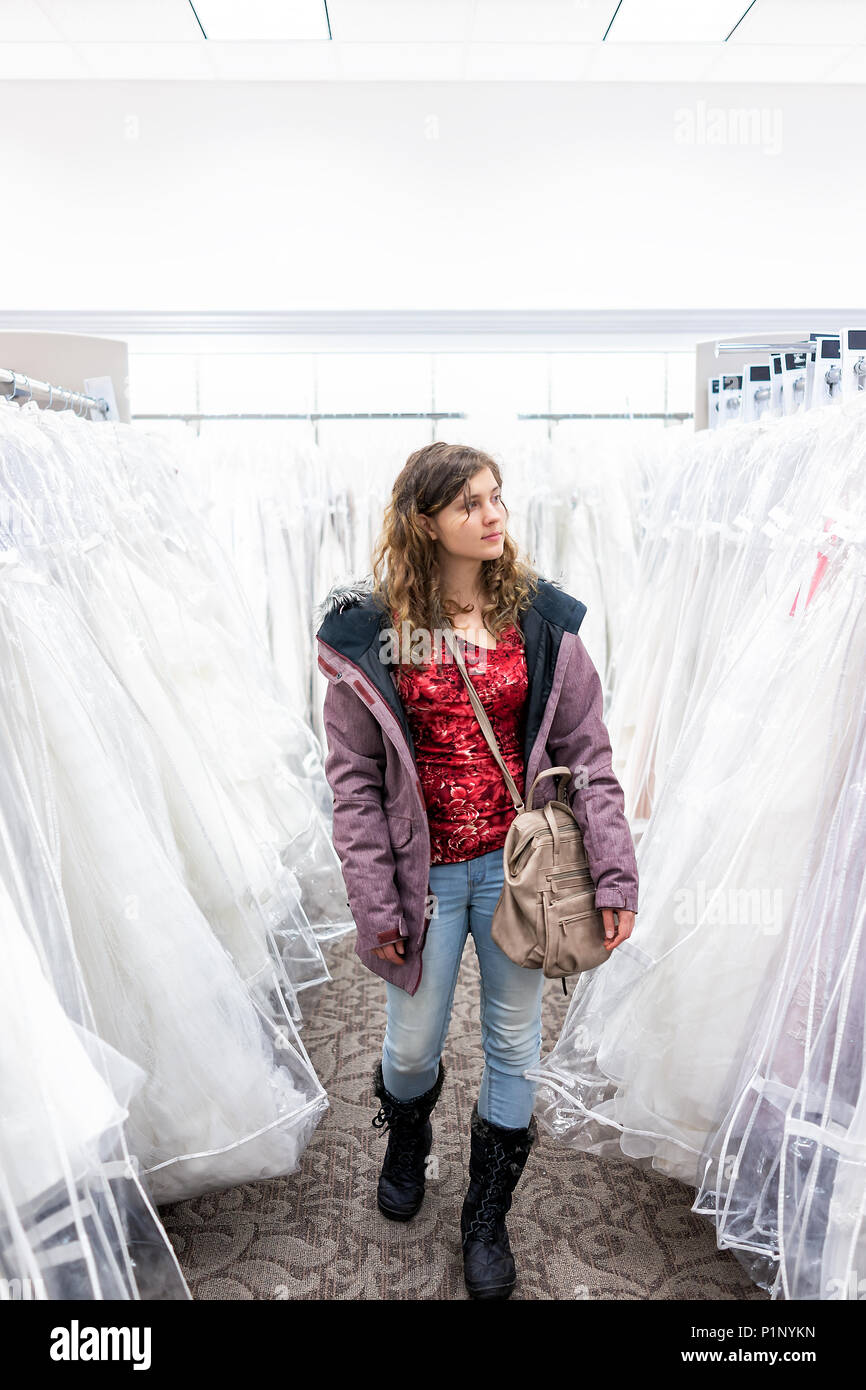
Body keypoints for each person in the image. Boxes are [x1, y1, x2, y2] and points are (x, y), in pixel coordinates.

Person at [315, 441, 638, 1300]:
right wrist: (372, 898)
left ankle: (486, 1214)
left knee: (512, 1047)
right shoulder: (374, 629)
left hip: (518, 873)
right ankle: (408, 1129)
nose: (493, 516)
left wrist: (614, 874)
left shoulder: (539, 621)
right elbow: (352, 781)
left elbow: (590, 757)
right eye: (469, 505)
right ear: (426, 522)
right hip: (422, 879)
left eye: (497, 498)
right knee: (412, 1045)